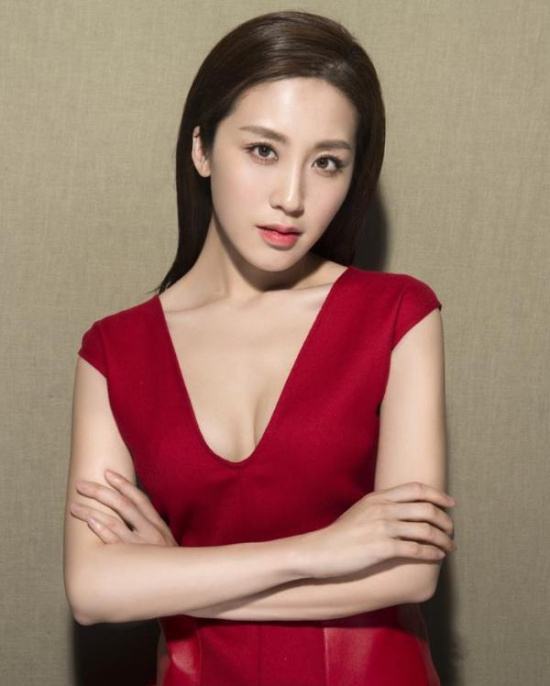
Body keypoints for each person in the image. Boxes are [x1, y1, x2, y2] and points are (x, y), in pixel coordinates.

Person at [63, 9, 456, 686]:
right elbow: (94, 590)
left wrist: (172, 578)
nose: (292, 197)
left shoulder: (398, 314)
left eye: (327, 163)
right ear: (201, 149)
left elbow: (410, 572)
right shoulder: (114, 350)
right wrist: (323, 550)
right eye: (264, 151)